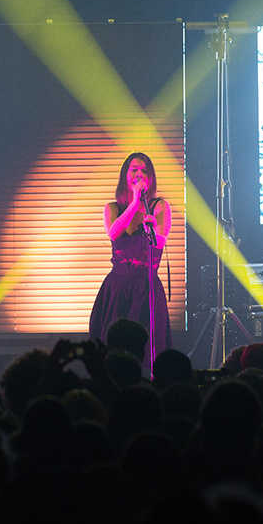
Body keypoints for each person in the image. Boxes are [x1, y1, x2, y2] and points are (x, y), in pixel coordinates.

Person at [89, 152, 172, 370]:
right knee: (114, 347)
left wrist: (152, 227)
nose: (139, 174)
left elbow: (161, 241)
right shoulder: (113, 208)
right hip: (118, 289)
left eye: (144, 170)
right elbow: (114, 233)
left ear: (151, 177)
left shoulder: (159, 206)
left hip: (147, 288)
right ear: (125, 175)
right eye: (134, 169)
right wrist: (135, 201)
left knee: (149, 347)